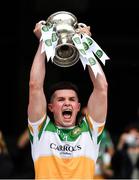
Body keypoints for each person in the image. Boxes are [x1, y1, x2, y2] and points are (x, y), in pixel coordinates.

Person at [27, 20, 108, 179]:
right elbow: (35, 86)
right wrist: (44, 41)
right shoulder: (40, 130)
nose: (67, 103)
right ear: (51, 107)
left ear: (78, 106)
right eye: (61, 99)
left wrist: (85, 46)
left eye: (71, 99)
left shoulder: (91, 132)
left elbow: (102, 88)